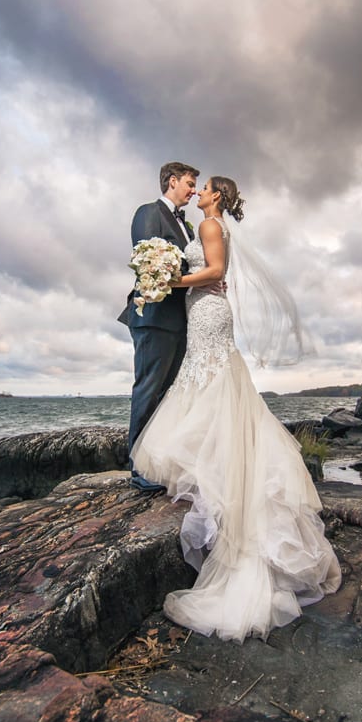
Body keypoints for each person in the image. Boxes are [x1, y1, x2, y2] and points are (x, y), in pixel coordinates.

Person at [131, 176, 341, 642]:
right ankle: (216, 461)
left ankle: (215, 469)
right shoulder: (209, 225)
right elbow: (216, 271)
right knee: (209, 382)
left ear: (218, 196)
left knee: (209, 381)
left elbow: (214, 271)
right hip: (204, 311)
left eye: (204, 187)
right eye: (196, 185)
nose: (199, 191)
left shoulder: (209, 225)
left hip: (207, 310)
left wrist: (172, 280)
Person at [119, 161, 199, 493]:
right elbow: (148, 261)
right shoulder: (148, 212)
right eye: (190, 183)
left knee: (169, 395)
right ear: (172, 181)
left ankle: (160, 462)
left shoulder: (189, 227)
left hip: (181, 319)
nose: (194, 190)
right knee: (149, 390)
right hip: (153, 318)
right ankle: (139, 468)